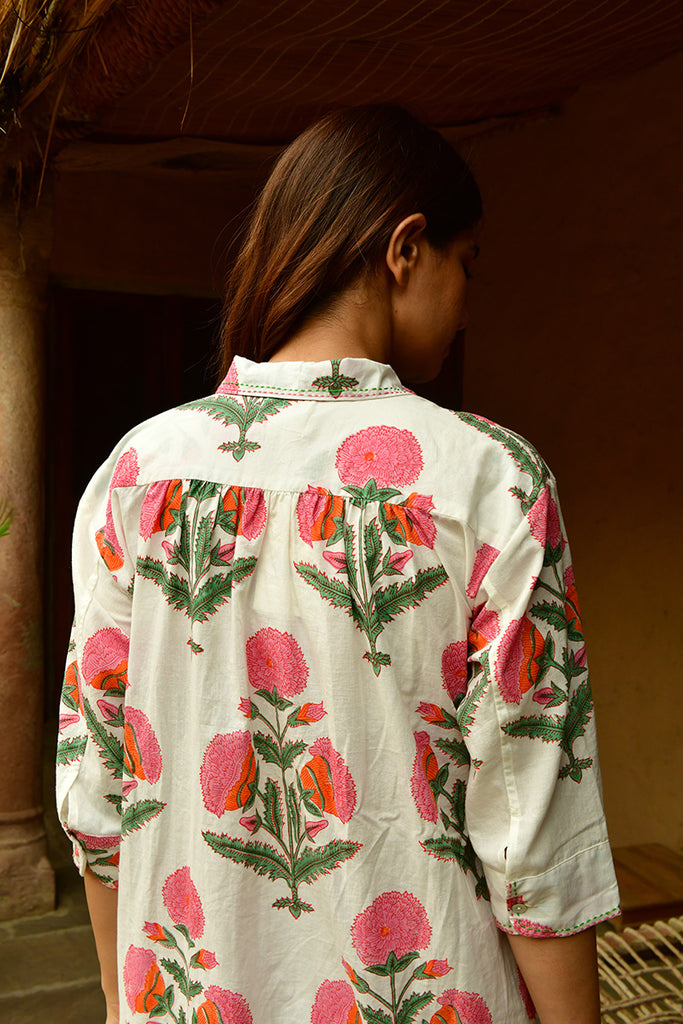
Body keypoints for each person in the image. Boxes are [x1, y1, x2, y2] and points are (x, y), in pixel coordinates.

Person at [56, 104, 619, 1024]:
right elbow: (532, 829)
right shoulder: (490, 484)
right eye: (466, 263)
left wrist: (122, 1002)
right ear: (405, 248)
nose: (466, 300)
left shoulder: (137, 474)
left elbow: (96, 783)